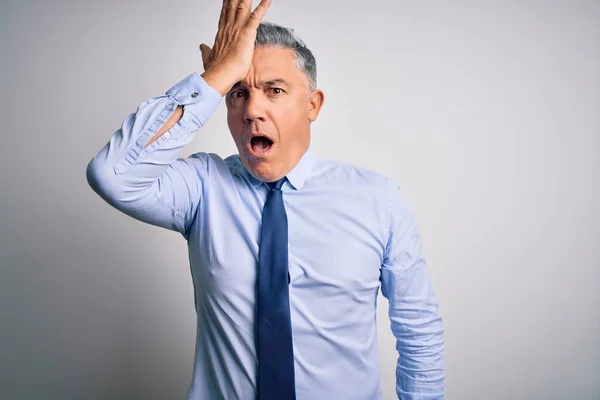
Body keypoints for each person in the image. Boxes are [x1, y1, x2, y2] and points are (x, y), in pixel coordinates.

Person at [86, 0, 445, 398]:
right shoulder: (204, 186)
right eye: (238, 94)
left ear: (313, 105)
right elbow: (114, 173)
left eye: (274, 90)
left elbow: (418, 332)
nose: (253, 109)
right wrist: (213, 80)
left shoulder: (378, 199)